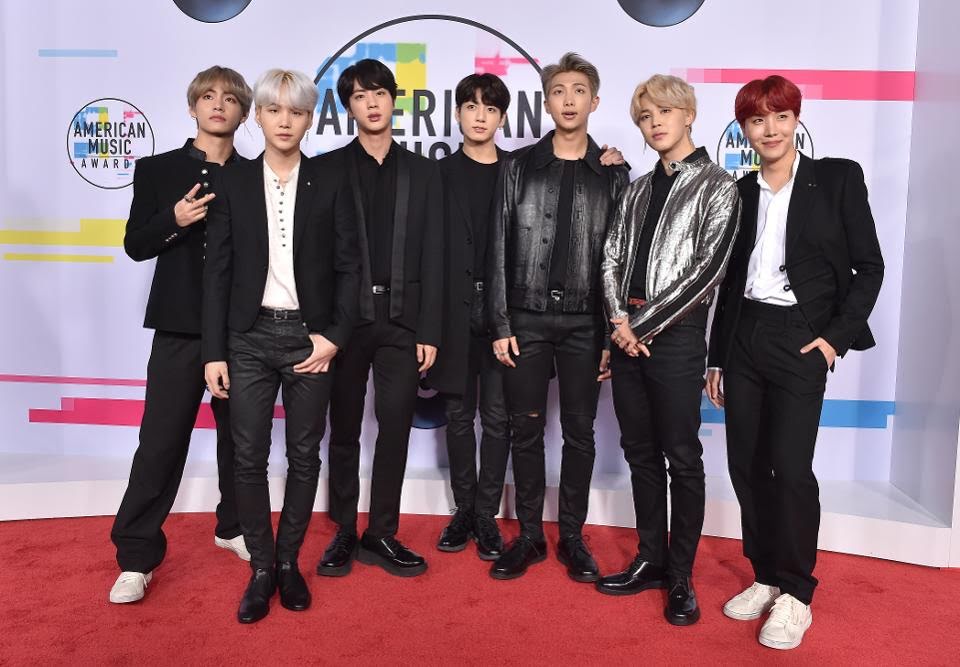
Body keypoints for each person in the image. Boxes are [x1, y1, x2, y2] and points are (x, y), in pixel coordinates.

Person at [706, 75, 884, 649]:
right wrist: (717, 358)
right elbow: (728, 283)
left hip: (802, 337)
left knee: (789, 467)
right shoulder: (739, 191)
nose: (770, 129)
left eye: (780, 116)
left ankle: (797, 593)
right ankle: (765, 574)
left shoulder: (836, 178)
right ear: (744, 130)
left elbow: (870, 267)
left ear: (796, 120)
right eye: (758, 120)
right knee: (746, 464)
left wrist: (833, 339)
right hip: (745, 335)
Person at [202, 69, 360, 623]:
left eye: (296, 111)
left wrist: (334, 336)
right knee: (247, 457)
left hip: (308, 339)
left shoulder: (331, 182)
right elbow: (217, 272)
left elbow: (351, 267)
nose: (285, 121)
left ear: (309, 118)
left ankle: (289, 562)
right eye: (274, 110)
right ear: (259, 116)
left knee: (303, 456)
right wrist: (214, 351)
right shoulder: (233, 182)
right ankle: (261, 568)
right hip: (246, 339)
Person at [596, 74, 740, 626]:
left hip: (675, 339)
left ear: (688, 114)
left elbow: (707, 271)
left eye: (664, 112)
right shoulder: (635, 189)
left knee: (682, 456)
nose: (654, 123)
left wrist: (641, 325)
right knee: (639, 452)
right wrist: (619, 322)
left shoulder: (718, 186)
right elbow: (611, 257)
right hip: (626, 334)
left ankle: (681, 575)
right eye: (645, 116)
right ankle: (650, 559)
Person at [109, 66, 252, 605]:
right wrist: (174, 218)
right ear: (192, 107)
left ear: (244, 112)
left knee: (242, 441)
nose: (218, 105)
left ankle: (234, 526)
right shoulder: (157, 170)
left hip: (240, 331)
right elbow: (135, 245)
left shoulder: (256, 175)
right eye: (207, 96)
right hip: (178, 328)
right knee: (160, 443)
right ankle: (136, 556)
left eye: (230, 98)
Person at [487, 52, 630, 581]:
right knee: (524, 429)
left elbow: (619, 259)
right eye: (558, 92)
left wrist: (611, 335)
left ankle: (571, 536)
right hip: (524, 318)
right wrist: (500, 323)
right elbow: (498, 246)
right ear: (546, 102)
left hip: (586, 323)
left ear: (594, 101)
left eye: (578, 91)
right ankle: (528, 536)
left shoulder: (614, 174)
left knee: (579, 432)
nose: (568, 101)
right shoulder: (517, 167)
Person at [316, 59, 443, 579]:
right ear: (348, 107)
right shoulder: (325, 169)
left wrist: (429, 329)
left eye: (379, 93)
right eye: (359, 96)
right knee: (344, 427)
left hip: (403, 321)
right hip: (344, 323)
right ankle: (344, 529)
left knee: (395, 428)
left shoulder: (424, 172)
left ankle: (382, 533)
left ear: (394, 99)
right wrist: (322, 327)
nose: (371, 103)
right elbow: (314, 257)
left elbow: (435, 254)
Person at [425, 73, 513, 561]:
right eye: (472, 106)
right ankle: (463, 509)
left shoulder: (518, 171)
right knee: (458, 416)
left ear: (502, 118)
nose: (481, 116)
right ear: (457, 112)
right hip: (452, 311)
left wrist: (611, 159)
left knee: (497, 417)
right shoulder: (436, 174)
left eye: (491, 108)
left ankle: (486, 513)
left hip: (502, 312)